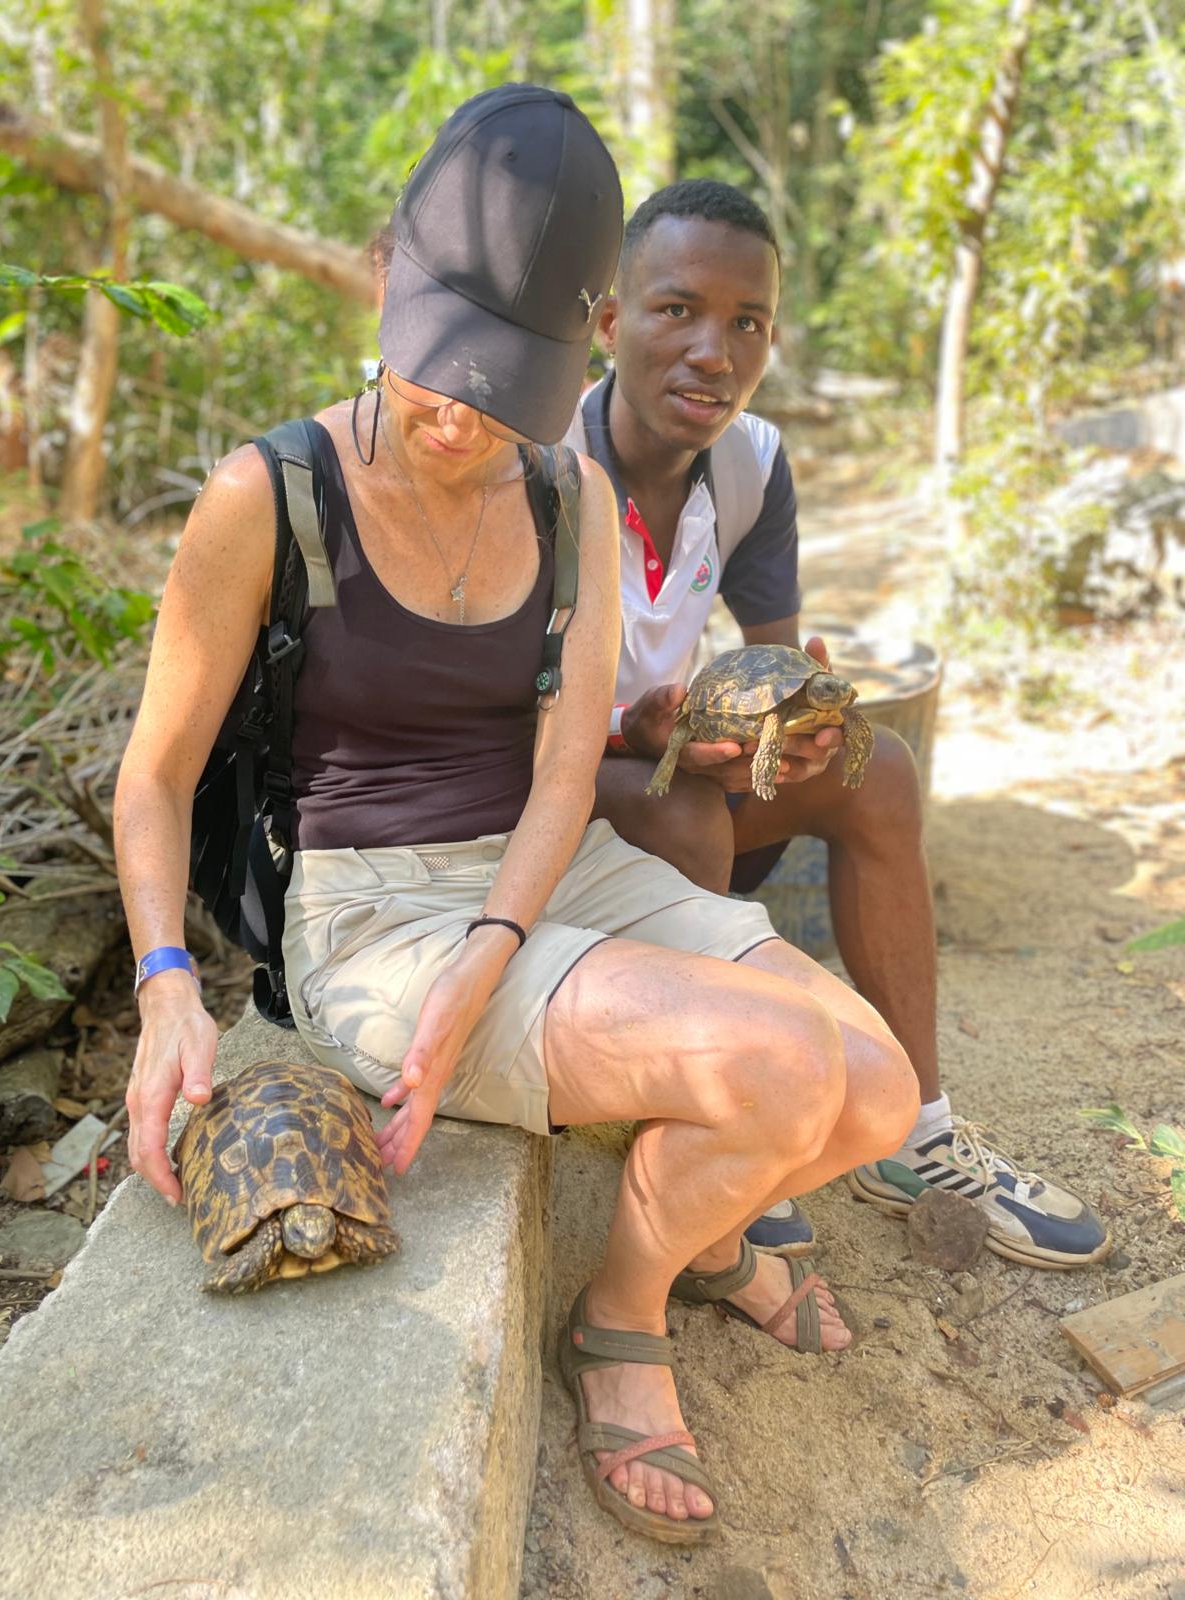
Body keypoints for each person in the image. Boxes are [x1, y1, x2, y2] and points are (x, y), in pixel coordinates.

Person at [115, 87, 917, 1545]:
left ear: (579, 346)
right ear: (382, 276)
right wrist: (170, 985)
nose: (460, 415)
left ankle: (706, 1227)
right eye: (438, 370)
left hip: (547, 871)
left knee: (875, 1090)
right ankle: (622, 1318)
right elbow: (156, 774)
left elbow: (564, 775)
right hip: (373, 912)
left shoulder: (569, 496)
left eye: (504, 390)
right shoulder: (268, 494)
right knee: (783, 1068)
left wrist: (503, 940)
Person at [573, 178, 1110, 1271]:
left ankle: (917, 1132)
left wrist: (801, 724)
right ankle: (724, 1114)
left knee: (884, 775)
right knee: (688, 817)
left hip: (676, 745)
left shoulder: (752, 463)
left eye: (748, 322)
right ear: (610, 323)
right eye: (678, 309)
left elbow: (776, 659)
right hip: (555, 781)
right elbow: (502, 717)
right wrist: (642, 733)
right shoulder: (543, 463)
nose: (714, 351)